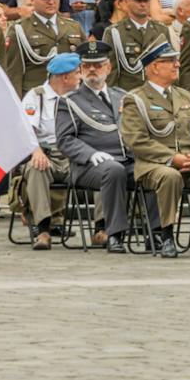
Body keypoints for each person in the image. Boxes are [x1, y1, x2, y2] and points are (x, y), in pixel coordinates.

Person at [119, 41, 190, 258]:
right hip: (154, 166)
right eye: (170, 61)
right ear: (154, 67)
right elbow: (136, 140)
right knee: (170, 176)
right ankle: (165, 234)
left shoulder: (185, 96)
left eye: (176, 60)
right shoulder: (135, 99)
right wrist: (174, 158)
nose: (177, 65)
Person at [52, 42, 134, 253]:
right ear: (80, 69)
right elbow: (65, 139)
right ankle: (114, 234)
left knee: (155, 171)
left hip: (126, 159)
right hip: (89, 166)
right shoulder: (70, 101)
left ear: (108, 68)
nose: (92, 70)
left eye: (97, 65)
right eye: (87, 65)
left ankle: (160, 233)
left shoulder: (122, 96)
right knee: (113, 170)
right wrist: (91, 154)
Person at [16, 52, 79, 249]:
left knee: (106, 169)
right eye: (78, 73)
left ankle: (102, 230)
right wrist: (36, 152)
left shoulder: (79, 96)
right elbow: (26, 131)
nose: (81, 77)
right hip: (47, 154)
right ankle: (43, 230)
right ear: (65, 78)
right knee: (36, 168)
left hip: (75, 155)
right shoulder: (36, 96)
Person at [5, 0, 85, 96]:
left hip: (71, 96)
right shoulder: (20, 29)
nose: (51, 2)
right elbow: (14, 73)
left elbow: (84, 64)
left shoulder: (73, 27)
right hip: (37, 97)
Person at [106, 0, 168, 92]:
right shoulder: (115, 32)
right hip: (128, 93)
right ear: (127, 2)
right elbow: (111, 70)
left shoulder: (161, 30)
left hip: (156, 92)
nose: (143, 4)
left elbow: (168, 64)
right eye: (138, 0)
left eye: (146, 0)